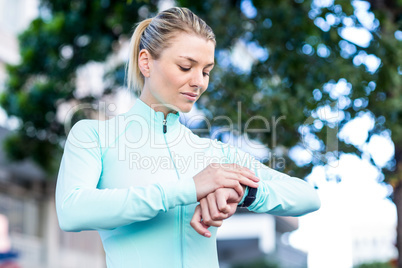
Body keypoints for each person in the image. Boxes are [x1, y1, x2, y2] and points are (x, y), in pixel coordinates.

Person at [55, 7, 320, 268]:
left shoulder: (215, 156)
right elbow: (72, 210)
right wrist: (188, 189)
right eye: (185, 67)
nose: (199, 82)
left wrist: (241, 192)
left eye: (206, 71)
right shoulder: (95, 136)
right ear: (145, 62)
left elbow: (308, 197)